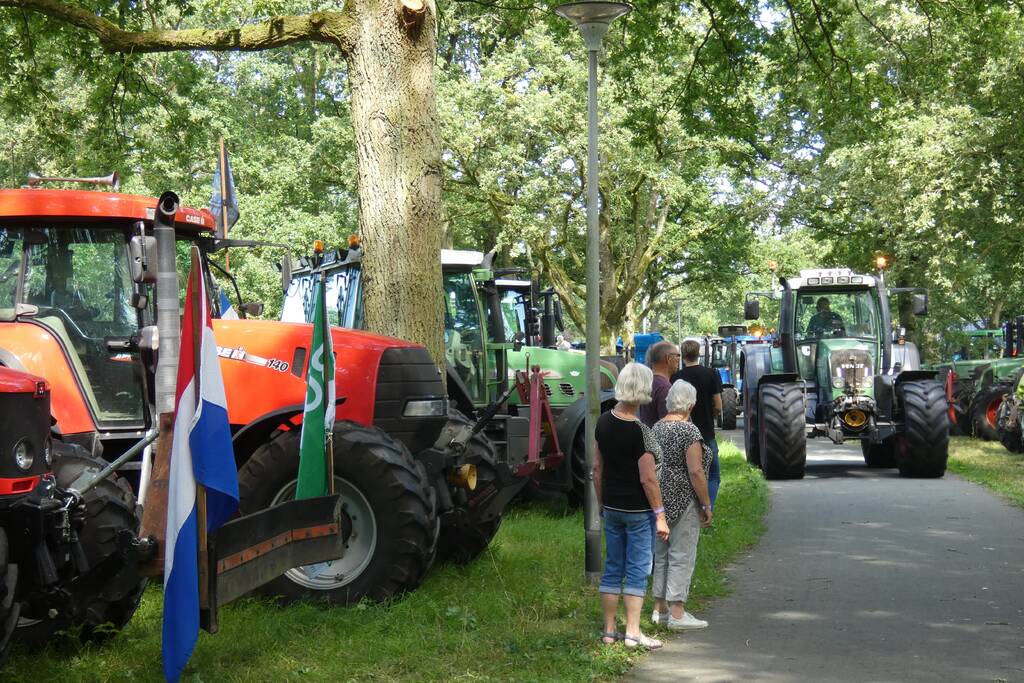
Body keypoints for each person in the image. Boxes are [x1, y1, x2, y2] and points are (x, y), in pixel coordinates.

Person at [594, 361, 669, 649]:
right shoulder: (641, 432)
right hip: (638, 512)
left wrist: (601, 503)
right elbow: (648, 479)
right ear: (644, 389)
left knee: (613, 567)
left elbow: (597, 469)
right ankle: (633, 632)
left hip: (612, 508)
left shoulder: (603, 421)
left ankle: (610, 631)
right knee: (637, 570)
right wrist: (660, 515)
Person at [651, 380, 714, 629]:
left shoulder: (656, 428)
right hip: (684, 497)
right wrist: (706, 504)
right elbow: (696, 471)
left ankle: (660, 610)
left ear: (669, 402)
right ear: (691, 403)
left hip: (660, 498)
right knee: (682, 553)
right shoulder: (689, 432)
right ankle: (677, 612)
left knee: (662, 554)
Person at [671, 339, 722, 507]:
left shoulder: (676, 377)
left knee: (688, 472)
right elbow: (719, 405)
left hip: (682, 431)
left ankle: (690, 506)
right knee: (713, 474)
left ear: (683, 355)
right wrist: (710, 415)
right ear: (698, 353)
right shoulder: (711, 374)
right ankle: (708, 508)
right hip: (706, 432)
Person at [639, 341, 680, 428]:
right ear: (668, 358)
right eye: (677, 355)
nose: (679, 359)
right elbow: (669, 429)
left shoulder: (646, 382)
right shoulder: (665, 388)